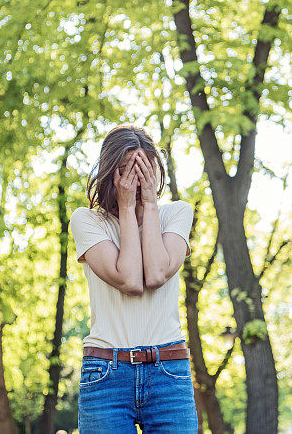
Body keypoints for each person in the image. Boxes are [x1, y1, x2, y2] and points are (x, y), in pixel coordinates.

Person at [69, 125, 197, 433]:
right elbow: (130, 279)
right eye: (127, 171)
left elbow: (155, 274)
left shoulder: (177, 213)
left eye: (143, 170)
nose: (136, 181)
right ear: (110, 172)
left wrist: (150, 206)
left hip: (170, 372)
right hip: (106, 375)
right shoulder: (87, 221)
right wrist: (127, 209)